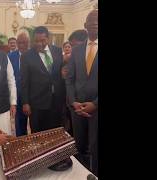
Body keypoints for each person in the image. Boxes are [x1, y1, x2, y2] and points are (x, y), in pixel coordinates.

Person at [20, 26, 72, 171]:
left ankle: (55, 158)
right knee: (38, 134)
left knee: (55, 131)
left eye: (42, 40)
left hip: (57, 100)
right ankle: (40, 161)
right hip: (37, 102)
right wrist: (25, 102)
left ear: (48, 38)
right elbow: (24, 81)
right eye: (36, 41)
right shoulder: (26, 56)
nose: (39, 44)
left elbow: (61, 73)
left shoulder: (56, 51)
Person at [66, 9, 98, 176]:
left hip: (97, 110)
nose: (95, 26)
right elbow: (69, 79)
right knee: (79, 147)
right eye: (91, 24)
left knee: (96, 148)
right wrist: (73, 102)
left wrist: (94, 104)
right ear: (85, 26)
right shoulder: (77, 51)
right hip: (78, 110)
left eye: (97, 23)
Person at [7, 31, 30, 136]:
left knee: (35, 123)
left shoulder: (34, 55)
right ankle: (22, 143)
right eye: (19, 42)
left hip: (32, 95)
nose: (22, 45)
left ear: (29, 42)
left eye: (24, 42)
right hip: (17, 95)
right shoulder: (10, 56)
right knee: (19, 124)